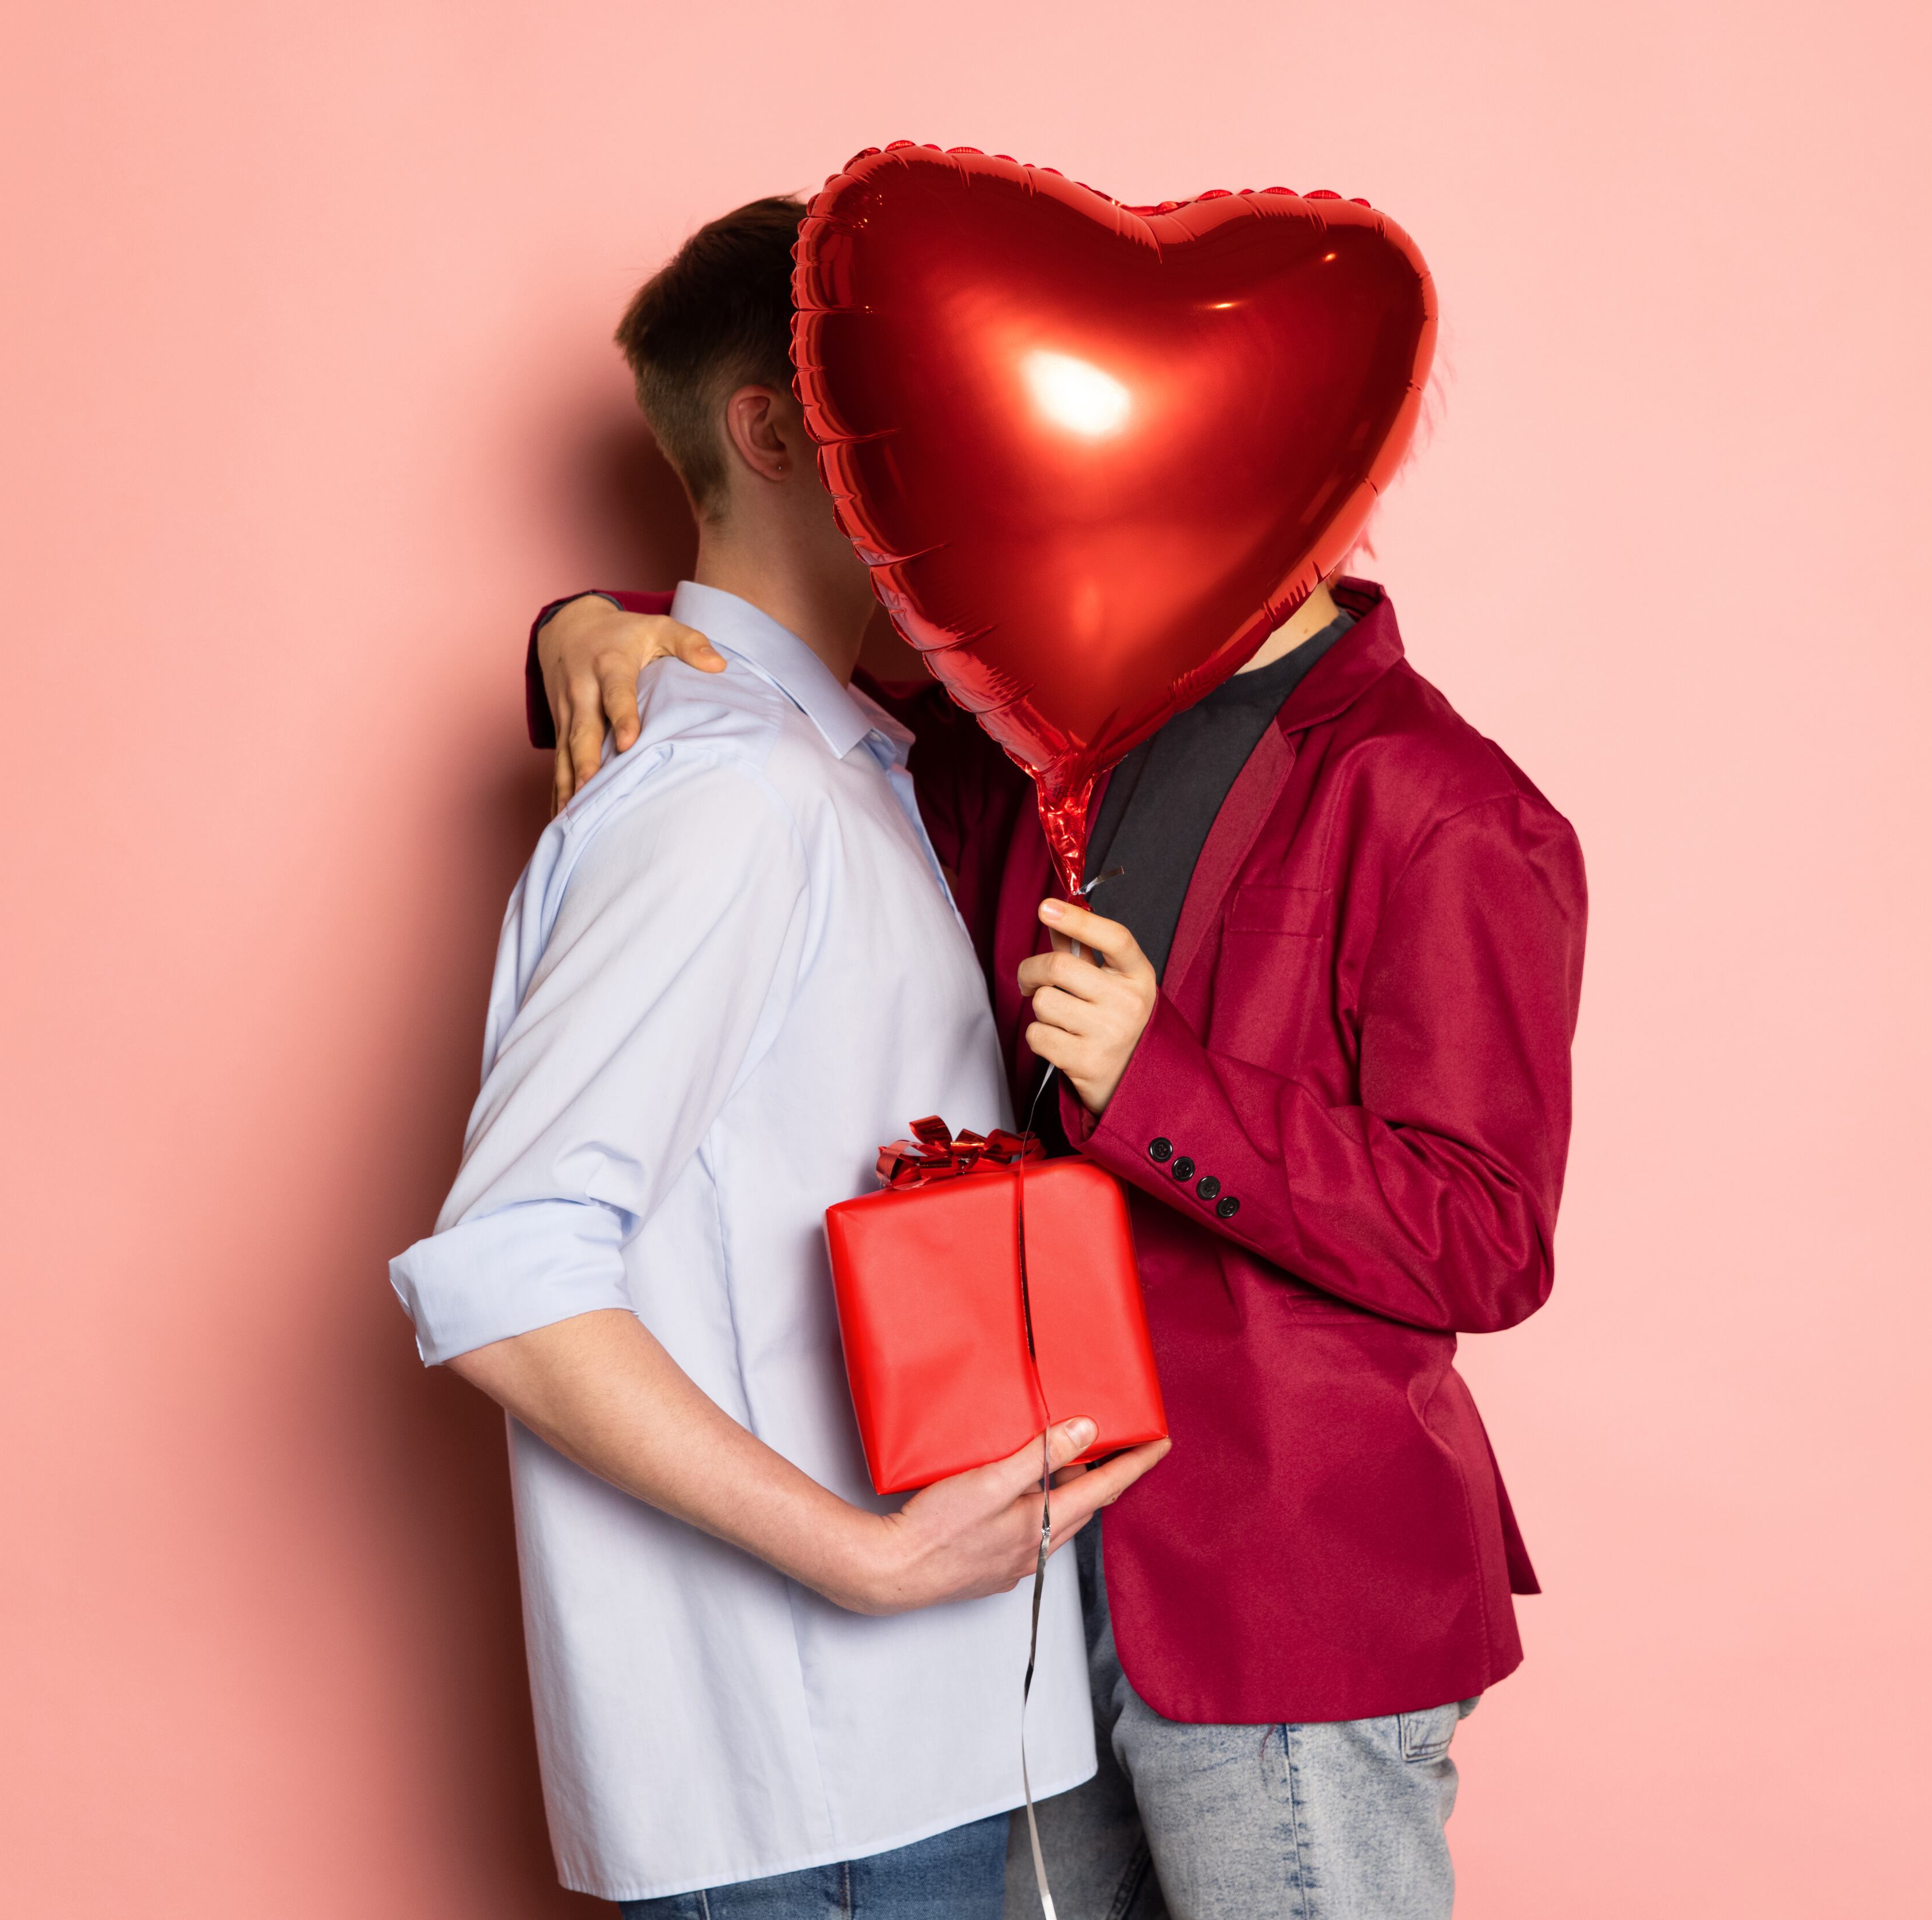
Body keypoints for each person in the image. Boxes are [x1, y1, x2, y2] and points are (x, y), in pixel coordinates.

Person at [531, 198, 1586, 1919]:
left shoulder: (1451, 809)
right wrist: (591, 624)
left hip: (1291, 1603)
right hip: (1015, 1595)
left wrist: (1157, 1080)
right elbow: (805, 710)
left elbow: (1485, 1240)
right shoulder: (1036, 739)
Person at [390, 196, 1167, 1918]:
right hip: (820, 1785)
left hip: (929, 1747)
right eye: (920, 408)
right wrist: (864, 1564)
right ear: (773, 433)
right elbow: (505, 1270)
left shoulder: (840, 770)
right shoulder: (731, 794)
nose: (973, 462)